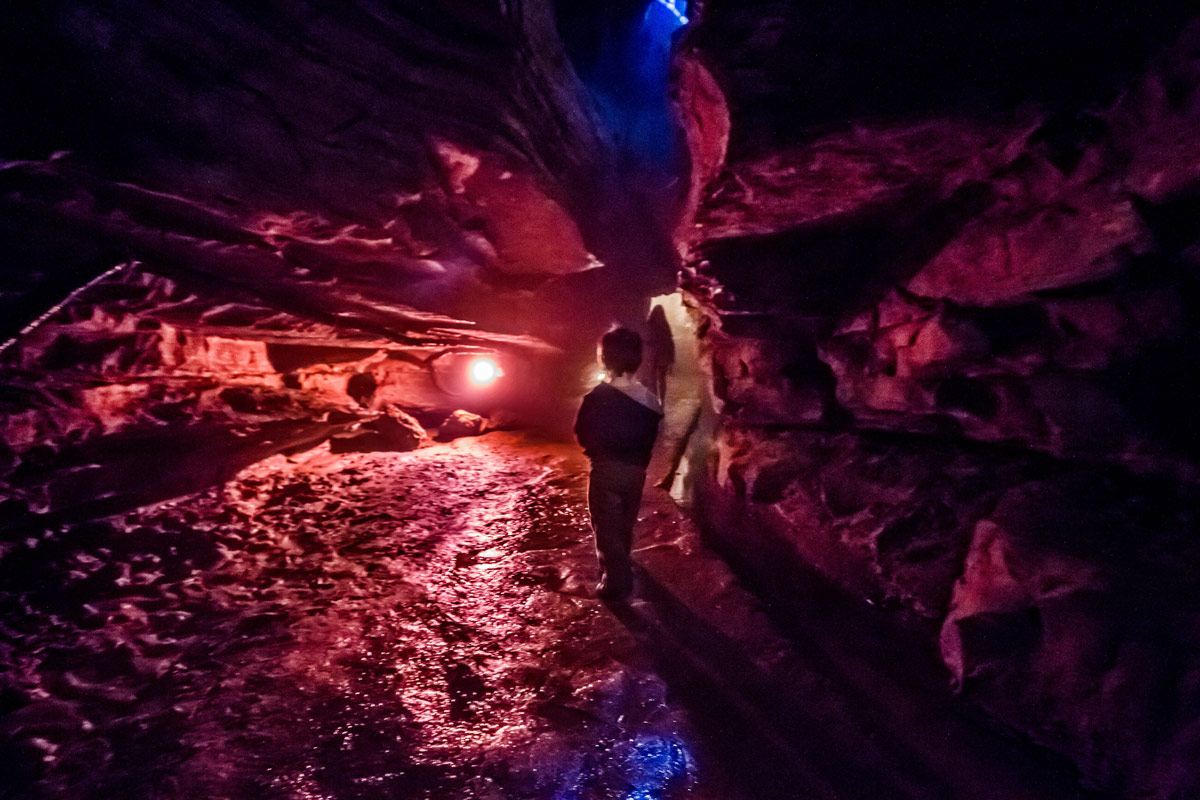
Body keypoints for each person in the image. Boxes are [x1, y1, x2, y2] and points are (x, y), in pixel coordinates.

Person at [574, 327, 663, 600]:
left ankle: (615, 580)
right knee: (625, 520)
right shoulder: (650, 400)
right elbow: (652, 435)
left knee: (605, 525)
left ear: (604, 358)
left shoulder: (596, 397)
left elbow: (582, 432)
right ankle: (623, 560)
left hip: (605, 471)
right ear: (637, 359)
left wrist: (596, 450)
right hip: (636, 472)